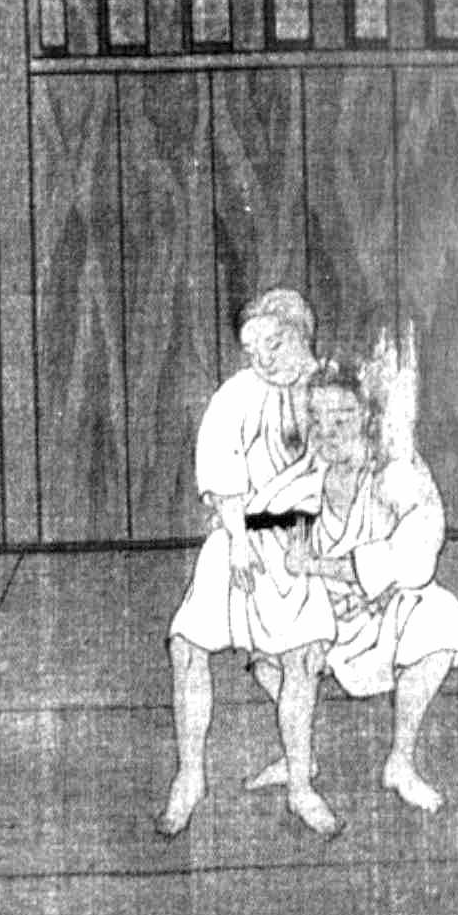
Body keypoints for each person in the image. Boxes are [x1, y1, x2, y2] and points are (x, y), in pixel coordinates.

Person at [255, 338, 458, 816]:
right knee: (273, 639)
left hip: (381, 610)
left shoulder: (396, 472)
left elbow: (416, 555)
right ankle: (299, 762)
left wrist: (336, 574)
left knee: (441, 618)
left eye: (341, 420)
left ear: (368, 418)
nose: (326, 433)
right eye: (317, 421)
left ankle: (401, 761)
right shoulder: (303, 476)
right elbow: (266, 533)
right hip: (322, 612)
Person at [164, 290, 337, 837]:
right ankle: (190, 775)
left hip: (301, 544)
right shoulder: (236, 395)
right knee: (187, 646)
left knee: (300, 661)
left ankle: (301, 784)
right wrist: (238, 542)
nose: (263, 358)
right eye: (252, 348)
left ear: (301, 334)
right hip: (239, 538)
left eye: (274, 343)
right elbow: (221, 473)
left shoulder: (331, 389)